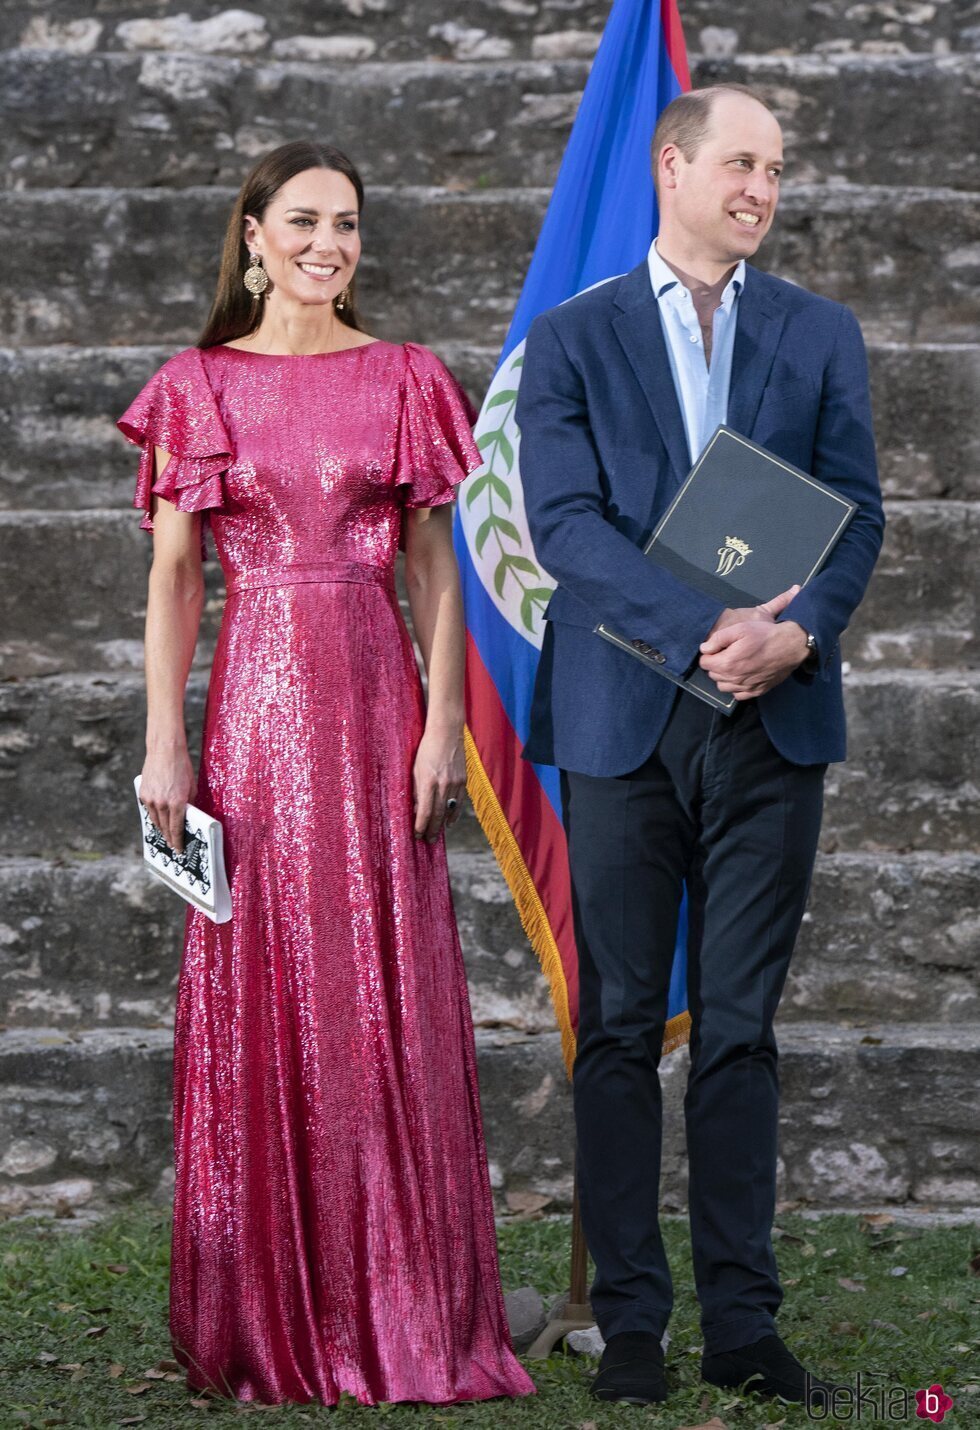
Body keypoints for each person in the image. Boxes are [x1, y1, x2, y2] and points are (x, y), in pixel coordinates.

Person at [118, 140, 534, 1409]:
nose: (325, 243)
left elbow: (434, 569)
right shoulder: (196, 385)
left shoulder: (405, 376)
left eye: (345, 223)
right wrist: (163, 737)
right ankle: (274, 1304)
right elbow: (178, 576)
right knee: (267, 979)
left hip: (376, 699)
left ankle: (400, 1298)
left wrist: (440, 722)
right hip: (252, 710)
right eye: (300, 221)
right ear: (250, 233)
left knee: (385, 984)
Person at [516, 85, 884, 1407]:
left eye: (777, 169)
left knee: (740, 1028)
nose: (763, 188)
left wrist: (798, 636)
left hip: (776, 721)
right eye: (742, 162)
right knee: (617, 1026)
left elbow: (857, 514)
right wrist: (708, 626)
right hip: (623, 723)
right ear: (671, 165)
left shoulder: (819, 330)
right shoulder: (572, 338)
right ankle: (628, 1327)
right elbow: (564, 525)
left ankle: (743, 1323)